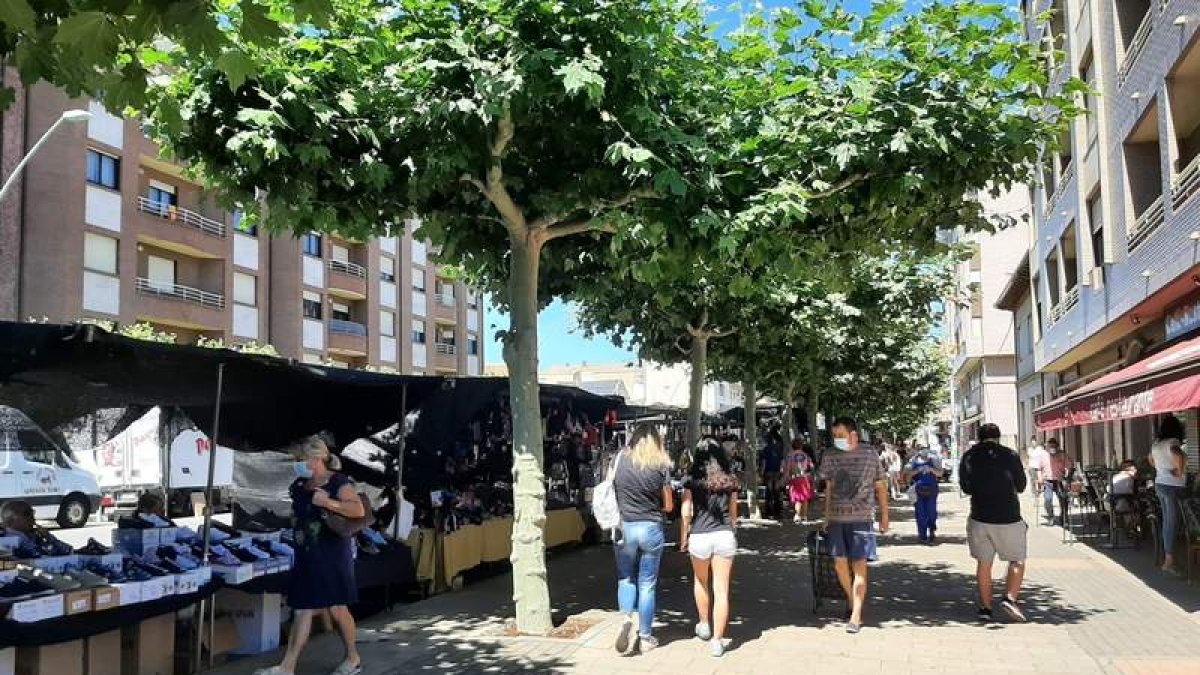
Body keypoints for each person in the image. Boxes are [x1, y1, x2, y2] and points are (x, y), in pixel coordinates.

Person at [259, 437, 365, 675]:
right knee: (302, 609)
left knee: (337, 609)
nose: (296, 464)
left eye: (300, 459)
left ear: (316, 459)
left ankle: (352, 656)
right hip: (306, 555)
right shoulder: (299, 485)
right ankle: (288, 667)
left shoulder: (338, 482)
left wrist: (328, 502)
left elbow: (357, 510)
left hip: (332, 555)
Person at [818, 417, 889, 634]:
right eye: (834, 436)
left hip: (862, 518)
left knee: (859, 566)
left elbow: (881, 486)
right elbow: (828, 488)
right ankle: (850, 599)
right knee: (840, 564)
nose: (837, 439)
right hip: (837, 519)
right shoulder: (829, 455)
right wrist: (826, 516)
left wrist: (885, 516)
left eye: (841, 435)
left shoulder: (870, 454)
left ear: (853, 434)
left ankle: (856, 614)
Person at [612, 426, 675, 655]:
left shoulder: (620, 460)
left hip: (625, 526)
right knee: (647, 583)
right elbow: (668, 505)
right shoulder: (660, 464)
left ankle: (627, 618)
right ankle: (645, 637)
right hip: (651, 527)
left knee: (625, 578)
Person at [959, 423, 1029, 623]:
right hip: (1009, 516)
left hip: (980, 516)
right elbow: (1022, 486)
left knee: (984, 564)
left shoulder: (969, 456)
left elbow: (966, 487)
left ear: (979, 438)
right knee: (1017, 560)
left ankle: (985, 608)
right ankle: (1010, 597)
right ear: (998, 437)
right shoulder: (1011, 455)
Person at [680, 439, 740, 658]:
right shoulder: (730, 480)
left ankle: (704, 624)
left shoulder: (691, 479)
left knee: (700, 581)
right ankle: (717, 640)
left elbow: (686, 511)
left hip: (699, 535)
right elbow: (733, 512)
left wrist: (683, 537)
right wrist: (733, 528)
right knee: (721, 589)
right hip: (724, 534)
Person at [1147, 415, 1188, 576]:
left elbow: (1150, 458)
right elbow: (1177, 454)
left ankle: (1168, 557)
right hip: (1173, 486)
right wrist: (1178, 470)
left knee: (1167, 522)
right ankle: (1169, 561)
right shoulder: (1173, 443)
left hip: (1160, 484)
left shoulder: (1157, 444)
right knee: (1172, 522)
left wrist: (1160, 468)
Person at [906, 447, 944, 544]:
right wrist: (918, 470)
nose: (924, 451)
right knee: (920, 513)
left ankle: (931, 528)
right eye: (922, 449)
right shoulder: (913, 461)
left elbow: (940, 473)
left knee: (931, 512)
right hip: (918, 491)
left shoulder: (934, 460)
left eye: (926, 449)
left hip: (932, 490)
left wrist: (931, 469)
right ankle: (922, 535)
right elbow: (907, 475)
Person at [1031, 438, 1073, 526]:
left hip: (1059, 480)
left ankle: (1064, 517)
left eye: (1054, 446)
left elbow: (1070, 466)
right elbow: (1038, 468)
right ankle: (1051, 517)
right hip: (1048, 481)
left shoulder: (1062, 454)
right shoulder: (1043, 455)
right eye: (1050, 446)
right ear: (1047, 447)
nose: (1052, 448)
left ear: (1057, 446)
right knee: (1047, 499)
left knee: (1063, 499)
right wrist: (1040, 478)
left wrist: (1067, 478)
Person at [784, 438, 816, 523]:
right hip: (805, 478)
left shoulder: (790, 455)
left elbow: (787, 469)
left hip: (795, 478)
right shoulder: (806, 455)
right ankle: (804, 516)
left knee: (797, 498)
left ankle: (797, 515)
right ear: (801, 446)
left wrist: (787, 479)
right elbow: (812, 467)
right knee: (805, 498)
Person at [761, 430, 785, 519]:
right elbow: (782, 461)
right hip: (777, 472)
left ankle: (769, 510)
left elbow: (764, 461)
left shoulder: (766, 449)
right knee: (777, 491)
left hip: (769, 472)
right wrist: (782, 471)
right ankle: (778, 510)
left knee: (769, 491)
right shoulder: (779, 448)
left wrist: (762, 472)